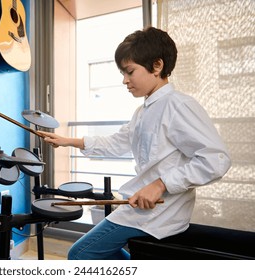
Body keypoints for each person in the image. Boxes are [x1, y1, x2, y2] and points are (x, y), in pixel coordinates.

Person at [39, 26, 232, 260]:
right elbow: (116, 143)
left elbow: (216, 159)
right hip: (139, 210)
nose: (124, 80)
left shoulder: (178, 105)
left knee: (80, 255)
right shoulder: (143, 111)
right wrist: (67, 141)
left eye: (130, 71)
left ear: (157, 66)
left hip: (158, 214)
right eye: (123, 73)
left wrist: (160, 184)